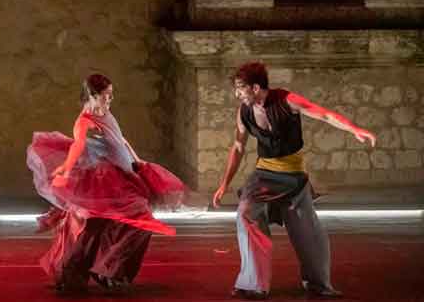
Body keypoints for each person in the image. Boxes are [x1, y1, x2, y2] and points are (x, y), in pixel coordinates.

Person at [212, 61, 377, 300]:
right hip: (264, 175)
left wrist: (354, 129)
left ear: (255, 88)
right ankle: (253, 283)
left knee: (309, 233)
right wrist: (224, 184)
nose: (236, 94)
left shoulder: (286, 100)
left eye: (240, 88)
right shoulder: (244, 111)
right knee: (246, 213)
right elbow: (238, 147)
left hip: (294, 178)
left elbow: (325, 115)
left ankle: (318, 283)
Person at [27, 73, 185, 294]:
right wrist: (66, 167)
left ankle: (103, 270)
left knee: (113, 223)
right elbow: (78, 145)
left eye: (111, 95)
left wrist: (136, 160)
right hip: (108, 178)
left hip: (125, 172)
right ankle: (92, 271)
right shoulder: (84, 120)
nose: (110, 99)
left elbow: (120, 140)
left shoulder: (105, 113)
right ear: (93, 95)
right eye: (106, 95)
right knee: (128, 220)